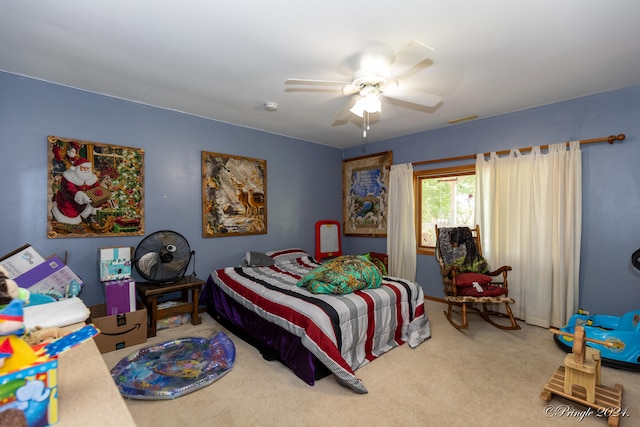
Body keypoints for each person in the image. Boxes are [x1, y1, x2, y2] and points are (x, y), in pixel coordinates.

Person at [51, 158, 102, 224]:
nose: (86, 170)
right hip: (68, 200)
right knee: (71, 218)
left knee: (95, 204)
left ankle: (90, 217)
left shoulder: (92, 177)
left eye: (88, 168)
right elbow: (69, 189)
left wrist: (99, 194)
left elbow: (97, 187)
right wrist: (81, 196)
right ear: (77, 168)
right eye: (83, 168)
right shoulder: (68, 176)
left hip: (86, 201)